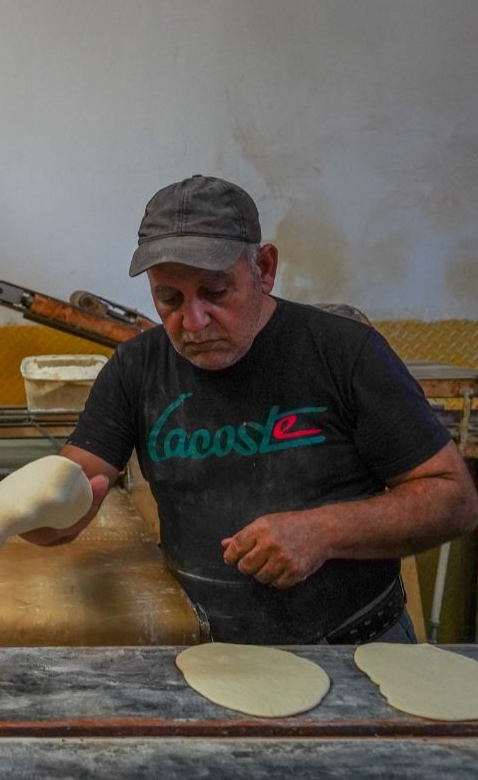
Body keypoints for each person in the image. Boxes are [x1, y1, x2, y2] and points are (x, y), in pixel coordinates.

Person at [24, 175, 478, 644]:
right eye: (170, 298)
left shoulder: (345, 353)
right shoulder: (137, 367)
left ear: (263, 268)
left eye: (216, 292)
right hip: (207, 650)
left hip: (354, 644)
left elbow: (455, 500)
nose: (193, 322)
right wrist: (49, 514)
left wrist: (322, 532)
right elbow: (79, 476)